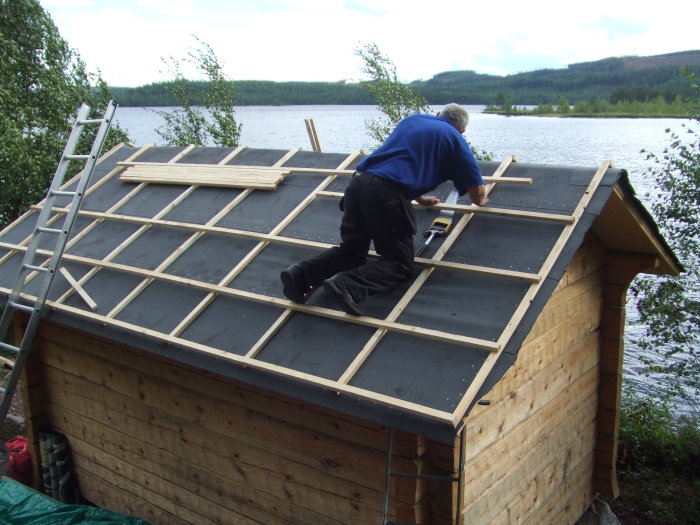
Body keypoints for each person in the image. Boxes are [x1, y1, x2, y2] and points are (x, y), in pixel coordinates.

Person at [280, 103, 488, 315]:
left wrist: (419, 196)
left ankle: (300, 275)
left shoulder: (414, 120)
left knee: (352, 251)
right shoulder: (455, 139)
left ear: (437, 115)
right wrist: (483, 198)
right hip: (385, 195)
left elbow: (401, 159)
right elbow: (476, 195)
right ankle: (348, 285)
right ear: (462, 130)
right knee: (400, 264)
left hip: (358, 184)